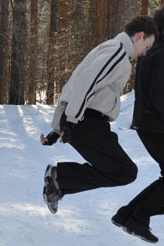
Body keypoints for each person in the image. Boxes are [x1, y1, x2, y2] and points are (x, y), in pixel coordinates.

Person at [40, 16, 157, 225]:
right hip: (87, 120)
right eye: (147, 45)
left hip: (86, 120)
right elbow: (86, 83)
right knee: (125, 172)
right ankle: (59, 178)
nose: (145, 52)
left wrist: (59, 127)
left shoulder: (110, 48)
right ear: (140, 36)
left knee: (122, 171)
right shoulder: (118, 53)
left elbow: (76, 82)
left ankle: (59, 180)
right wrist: (71, 120)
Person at [112, 6, 164, 244]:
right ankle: (137, 217)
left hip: (150, 125)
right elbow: (160, 93)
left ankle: (128, 214)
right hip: (159, 126)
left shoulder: (154, 50)